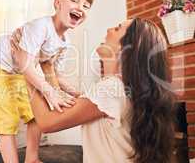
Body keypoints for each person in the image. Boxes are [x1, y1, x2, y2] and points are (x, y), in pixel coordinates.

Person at [11, 18, 176, 163]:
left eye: (117, 28)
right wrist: (46, 67)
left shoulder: (111, 89)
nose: (109, 30)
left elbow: (48, 122)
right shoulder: (117, 88)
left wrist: (25, 67)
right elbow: (64, 103)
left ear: (126, 49)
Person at [0, 0, 94, 163]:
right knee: (7, 119)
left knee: (34, 115)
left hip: (19, 71)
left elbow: (56, 75)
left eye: (86, 6)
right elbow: (24, 62)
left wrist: (79, 94)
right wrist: (49, 91)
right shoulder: (41, 26)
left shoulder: (65, 42)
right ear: (57, 3)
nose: (80, 7)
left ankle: (31, 159)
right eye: (74, 1)